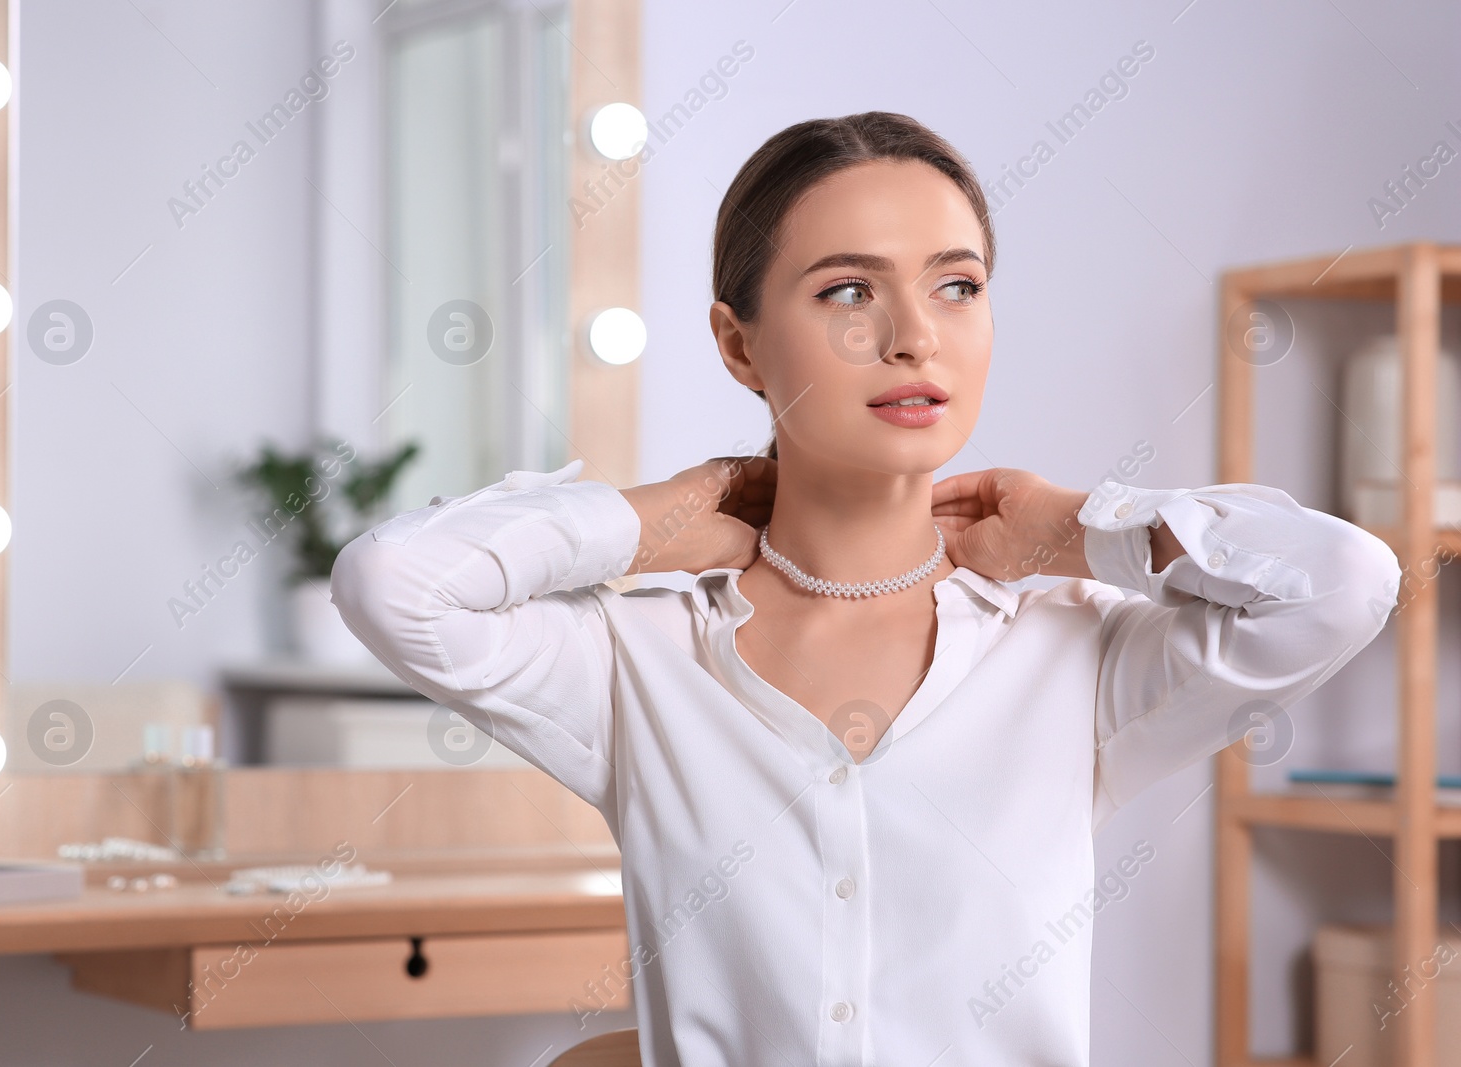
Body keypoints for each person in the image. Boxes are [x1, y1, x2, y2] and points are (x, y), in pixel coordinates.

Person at [330, 111, 1400, 1066]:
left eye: (957, 285)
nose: (913, 335)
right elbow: (394, 581)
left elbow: (1344, 581)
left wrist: (1081, 533)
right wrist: (661, 512)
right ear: (738, 344)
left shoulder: (1076, 647)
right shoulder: (634, 661)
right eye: (848, 289)